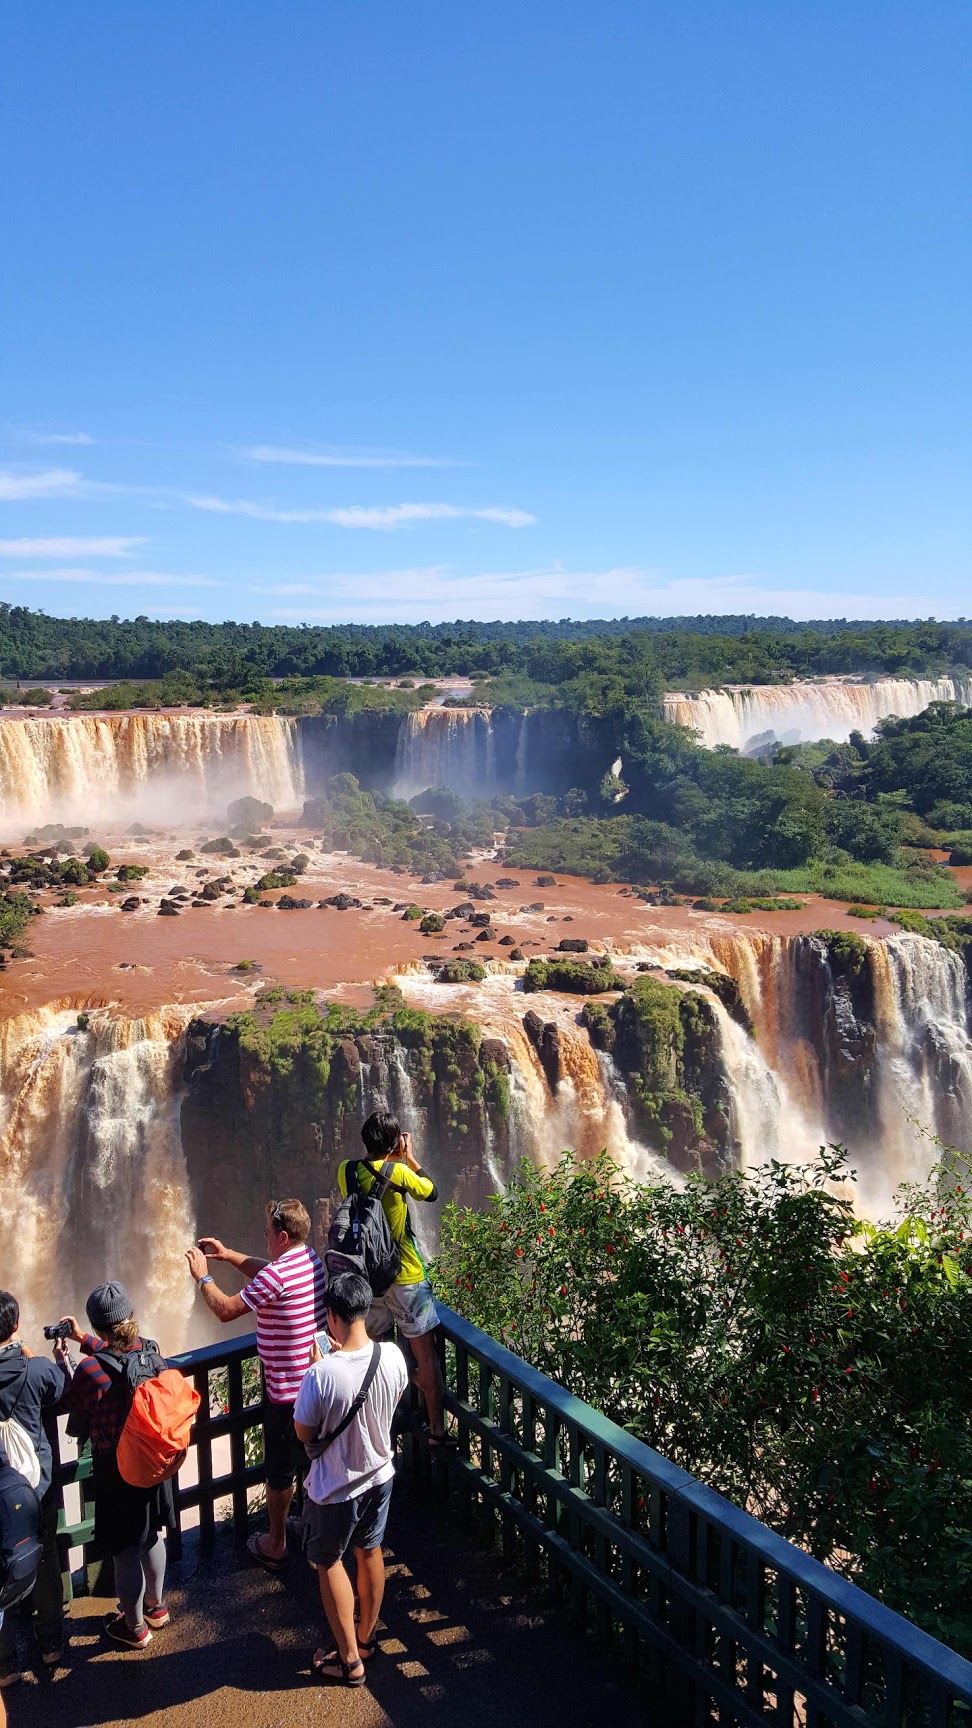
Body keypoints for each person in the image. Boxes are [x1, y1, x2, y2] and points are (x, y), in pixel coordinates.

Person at [187, 1198, 326, 1571]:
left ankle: (276, 1544)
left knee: (279, 1473)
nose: (263, 1238)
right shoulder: (308, 1259)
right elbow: (269, 1272)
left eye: (267, 1233)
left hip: (286, 1395)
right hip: (316, 1385)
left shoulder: (276, 1276)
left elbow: (225, 1310)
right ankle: (311, 1529)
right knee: (312, 1464)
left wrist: (203, 1275)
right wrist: (229, 1254)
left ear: (282, 1236)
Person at [294, 1270, 408, 1687]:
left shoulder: (322, 1374)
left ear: (332, 1317)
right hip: (381, 1474)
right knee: (370, 1550)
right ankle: (365, 1641)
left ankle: (347, 1662)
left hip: (336, 1487)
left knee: (327, 1561)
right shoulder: (394, 1356)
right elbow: (391, 1401)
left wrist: (322, 1369)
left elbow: (304, 1432)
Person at [56, 1283, 174, 1652]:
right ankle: (157, 1607)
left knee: (124, 1549)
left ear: (97, 1324)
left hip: (118, 1470)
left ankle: (134, 1627)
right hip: (155, 1463)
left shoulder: (90, 1370)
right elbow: (121, 1357)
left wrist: (65, 1364)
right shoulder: (151, 1352)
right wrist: (84, 1340)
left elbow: (74, 1412)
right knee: (152, 1534)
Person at [338, 1112, 452, 1447]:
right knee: (425, 1356)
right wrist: (410, 1158)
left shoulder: (345, 1170)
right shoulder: (399, 1171)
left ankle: (376, 1433)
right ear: (394, 1143)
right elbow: (430, 1192)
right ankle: (436, 1432)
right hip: (404, 1277)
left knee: (369, 1357)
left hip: (368, 1280)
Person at [0, 1291, 64, 1683]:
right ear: (17, 1325)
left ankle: (5, 1664)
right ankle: (51, 1644)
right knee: (46, 1558)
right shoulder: (36, 1369)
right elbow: (61, 1387)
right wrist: (53, 1358)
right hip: (36, 1486)